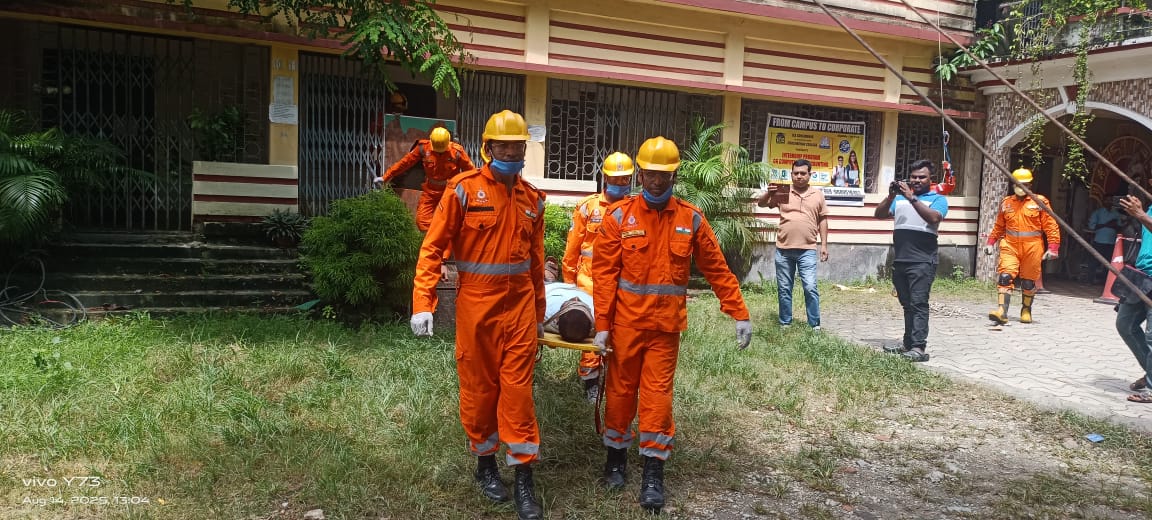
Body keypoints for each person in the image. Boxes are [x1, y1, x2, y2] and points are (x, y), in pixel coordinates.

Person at [591, 136, 752, 513]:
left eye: (663, 175)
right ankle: (615, 460)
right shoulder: (618, 218)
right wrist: (601, 324)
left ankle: (653, 472)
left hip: (665, 328)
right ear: (640, 174)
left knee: (657, 398)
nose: (656, 181)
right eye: (649, 174)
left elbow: (717, 268)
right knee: (619, 393)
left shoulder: (690, 218)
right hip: (626, 326)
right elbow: (603, 275)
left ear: (674, 174)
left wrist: (739, 311)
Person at [409, 110, 545, 520]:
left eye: (518, 146)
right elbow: (433, 247)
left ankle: (523, 477)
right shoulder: (463, 190)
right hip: (477, 307)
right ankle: (486, 466)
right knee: (479, 390)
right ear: (488, 149)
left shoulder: (533, 199)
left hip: (520, 308)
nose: (511, 152)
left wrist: (539, 313)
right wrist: (422, 302)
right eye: (504, 146)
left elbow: (536, 263)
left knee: (519, 393)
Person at [562, 152, 636, 400]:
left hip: (623, 282)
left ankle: (616, 381)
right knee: (594, 332)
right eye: (616, 179)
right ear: (605, 177)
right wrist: (569, 284)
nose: (621, 184)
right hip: (589, 282)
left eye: (625, 179)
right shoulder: (588, 207)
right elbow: (573, 248)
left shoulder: (635, 209)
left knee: (620, 333)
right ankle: (590, 382)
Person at [873, 159, 949, 362]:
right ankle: (908, 344)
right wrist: (891, 196)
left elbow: (933, 218)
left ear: (930, 179)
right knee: (907, 304)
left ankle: (918, 347)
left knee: (919, 303)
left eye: (921, 177)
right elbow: (878, 214)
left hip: (923, 261)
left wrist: (912, 197)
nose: (916, 180)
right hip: (901, 261)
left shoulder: (938, 199)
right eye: (914, 177)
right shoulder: (899, 200)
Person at [756, 158, 829, 330]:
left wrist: (824, 245)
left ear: (810, 175)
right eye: (796, 173)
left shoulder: (817, 195)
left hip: (808, 250)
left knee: (810, 287)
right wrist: (769, 192)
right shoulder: (783, 192)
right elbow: (761, 204)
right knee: (784, 288)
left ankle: (814, 325)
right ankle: (785, 323)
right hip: (784, 249)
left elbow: (823, 220)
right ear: (791, 174)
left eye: (803, 173)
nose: (799, 176)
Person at [984, 168, 1061, 325]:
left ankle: (1026, 310)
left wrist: (1053, 247)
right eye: (1017, 184)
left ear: (1030, 185)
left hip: (1032, 247)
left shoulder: (1040, 202)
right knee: (1005, 276)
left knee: (1028, 282)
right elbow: (999, 225)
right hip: (1010, 245)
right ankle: (1002, 312)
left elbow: (1051, 225)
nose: (1020, 187)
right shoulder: (1006, 203)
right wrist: (991, 242)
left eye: (1024, 184)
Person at [378, 127, 476, 231]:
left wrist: (473, 193)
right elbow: (404, 163)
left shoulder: (456, 152)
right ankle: (432, 242)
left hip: (450, 193)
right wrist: (385, 177)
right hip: (430, 192)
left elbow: (471, 172)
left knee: (452, 223)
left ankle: (445, 242)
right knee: (422, 221)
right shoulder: (423, 148)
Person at [1116, 191, 1152, 404]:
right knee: (1125, 324)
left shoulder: (1144, 211)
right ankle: (1150, 373)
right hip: (1142, 276)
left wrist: (1140, 215)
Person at [1087, 196, 1124, 283]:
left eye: (1110, 200)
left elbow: (1119, 227)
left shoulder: (1116, 214)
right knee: (1094, 262)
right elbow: (1092, 227)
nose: (1109, 202)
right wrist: (1107, 224)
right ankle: (1089, 280)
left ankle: (1105, 282)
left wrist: (1114, 225)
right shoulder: (1097, 213)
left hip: (1111, 242)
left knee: (1109, 264)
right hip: (1099, 241)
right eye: (1107, 200)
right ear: (1103, 201)